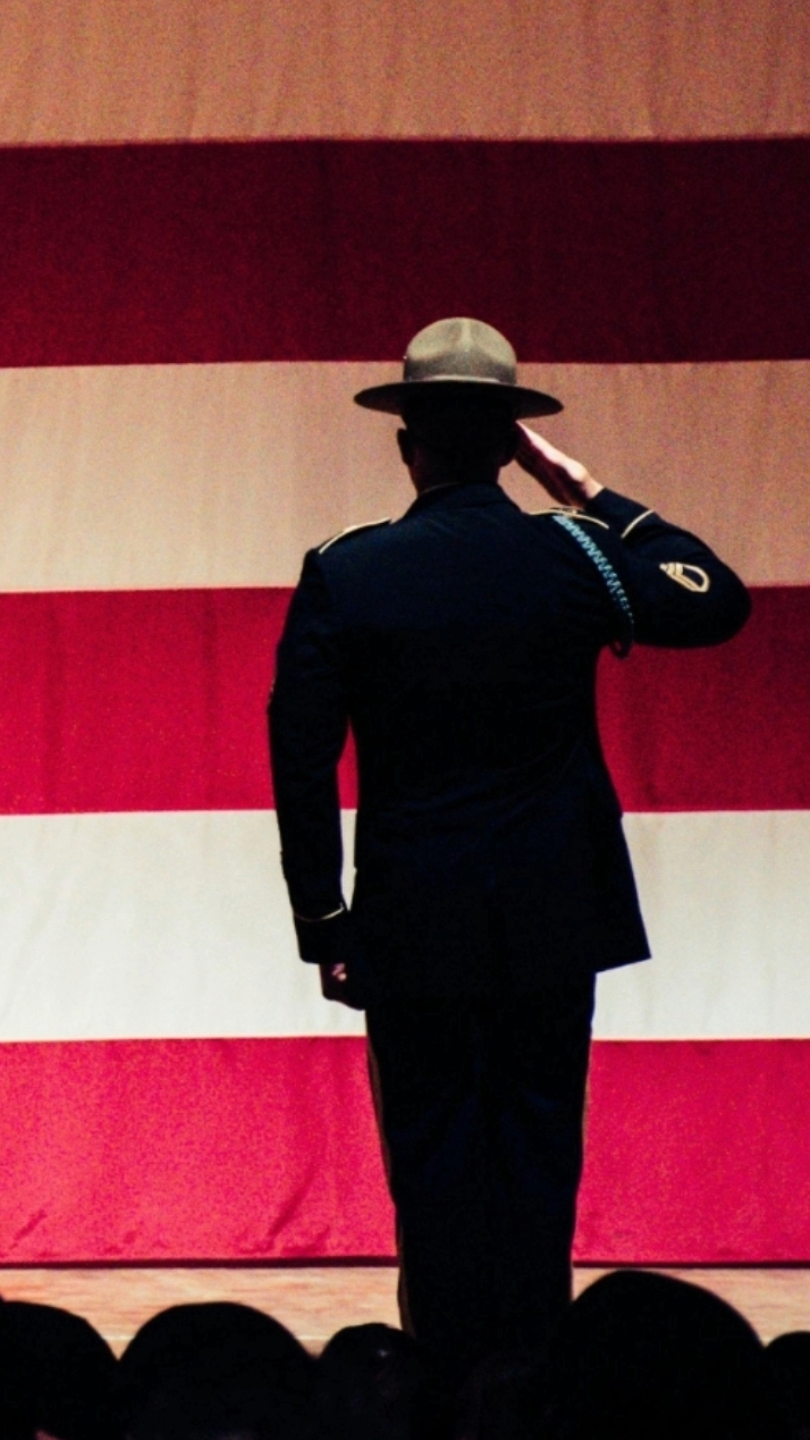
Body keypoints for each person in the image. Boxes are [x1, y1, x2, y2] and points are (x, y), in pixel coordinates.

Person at [268, 317, 750, 1388]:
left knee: (433, 1159)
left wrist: (322, 922)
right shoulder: (575, 555)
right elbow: (715, 599)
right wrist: (589, 492)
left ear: (408, 446)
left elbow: (299, 755)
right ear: (509, 444)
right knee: (536, 1152)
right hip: (551, 911)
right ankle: (533, 1385)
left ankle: (445, 1385)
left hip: (413, 918)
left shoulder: (350, 570)